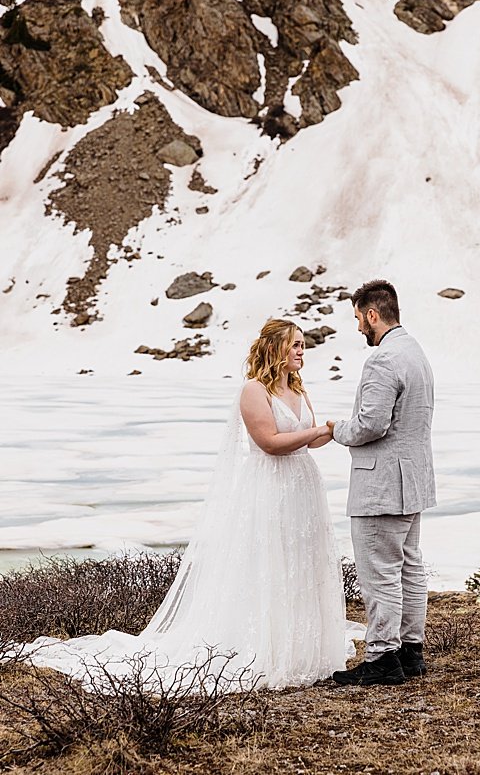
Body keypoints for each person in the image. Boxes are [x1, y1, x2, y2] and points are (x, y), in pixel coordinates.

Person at [24, 319, 355, 692]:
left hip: (302, 486)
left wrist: (334, 431)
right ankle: (266, 646)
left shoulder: (298, 389)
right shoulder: (254, 390)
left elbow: (307, 443)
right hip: (270, 486)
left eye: (303, 346)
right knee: (270, 562)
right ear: (274, 348)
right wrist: (315, 431)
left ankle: (299, 645)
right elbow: (270, 442)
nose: (301, 352)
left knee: (299, 560)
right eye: (295, 345)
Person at [330, 280, 438, 686]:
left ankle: (382, 657)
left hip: (382, 486)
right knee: (409, 565)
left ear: (372, 315)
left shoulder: (382, 361)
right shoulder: (415, 352)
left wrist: (336, 429)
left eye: (359, 319)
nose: (359, 328)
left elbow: (370, 424)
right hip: (413, 480)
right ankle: (411, 651)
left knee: (380, 571)